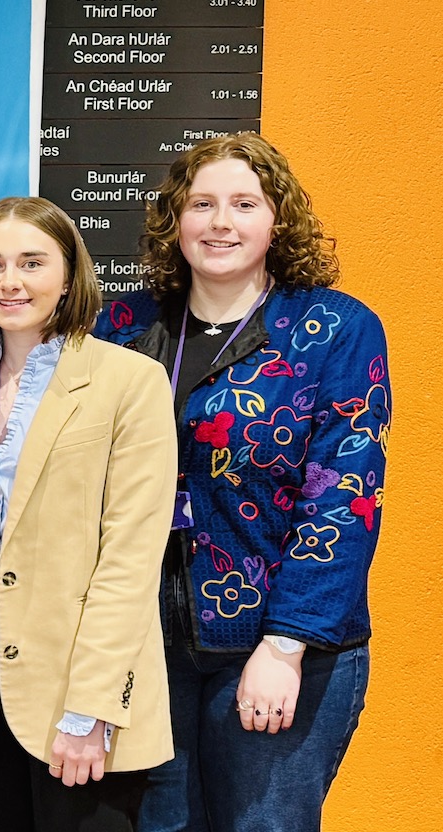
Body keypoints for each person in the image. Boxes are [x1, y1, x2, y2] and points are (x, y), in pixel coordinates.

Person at [93, 134, 390, 832]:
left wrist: (284, 646)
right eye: (200, 204)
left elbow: (343, 498)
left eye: (242, 204)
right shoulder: (122, 325)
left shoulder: (333, 329)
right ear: (174, 220)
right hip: (147, 646)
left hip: (278, 645)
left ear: (276, 221)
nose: (219, 222)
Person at [0, 197, 176, 831]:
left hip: (81, 668)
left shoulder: (130, 381)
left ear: (69, 275)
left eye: (33, 262)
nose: (10, 281)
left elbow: (131, 558)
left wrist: (90, 708)